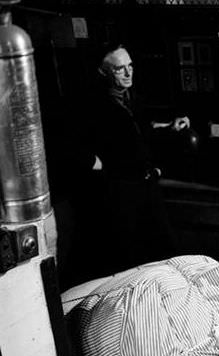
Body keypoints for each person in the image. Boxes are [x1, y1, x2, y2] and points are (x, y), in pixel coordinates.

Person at [80, 43, 184, 277]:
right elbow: (72, 146)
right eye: (120, 69)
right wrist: (99, 166)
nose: (128, 73)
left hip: (146, 185)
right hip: (120, 193)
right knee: (132, 263)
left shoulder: (132, 97)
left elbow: (142, 131)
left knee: (167, 253)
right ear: (103, 72)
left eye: (130, 66)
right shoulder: (93, 104)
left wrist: (170, 127)